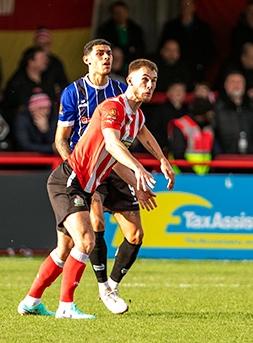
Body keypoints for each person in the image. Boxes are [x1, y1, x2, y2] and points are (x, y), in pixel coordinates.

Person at [18, 57, 175, 319]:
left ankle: (31, 301)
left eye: (154, 81)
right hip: (70, 180)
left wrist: (145, 174)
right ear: (130, 81)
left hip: (83, 186)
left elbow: (122, 152)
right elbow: (113, 145)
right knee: (87, 240)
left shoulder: (136, 117)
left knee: (64, 250)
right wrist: (138, 167)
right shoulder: (113, 107)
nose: (150, 85)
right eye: (144, 79)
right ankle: (66, 307)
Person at [54, 40, 168, 315]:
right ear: (87, 60)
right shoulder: (73, 92)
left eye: (109, 54)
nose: (106, 58)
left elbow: (138, 128)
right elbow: (61, 139)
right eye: (100, 54)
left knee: (136, 234)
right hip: (89, 166)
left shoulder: (121, 91)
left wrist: (160, 160)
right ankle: (97, 289)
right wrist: (78, 174)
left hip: (116, 164)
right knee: (93, 225)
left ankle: (110, 286)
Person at [158, 0, 215, 85]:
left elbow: (211, 51)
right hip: (174, 72)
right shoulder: (171, 26)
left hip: (196, 72)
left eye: (188, 4)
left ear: (194, 7)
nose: (185, 7)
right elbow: (161, 49)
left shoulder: (203, 27)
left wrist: (200, 65)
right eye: (182, 4)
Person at [212, 71, 253, 155]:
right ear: (225, 85)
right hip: (225, 160)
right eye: (232, 82)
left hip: (251, 159)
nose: (236, 85)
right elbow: (213, 135)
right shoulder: (218, 109)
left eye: (239, 82)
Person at [3, 46, 55, 122]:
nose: (45, 60)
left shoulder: (47, 77)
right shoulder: (17, 82)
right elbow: (12, 108)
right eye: (41, 58)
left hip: (49, 121)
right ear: (31, 62)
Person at [167, 97, 214, 174]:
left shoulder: (208, 128)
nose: (212, 115)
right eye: (209, 113)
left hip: (204, 177)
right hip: (181, 176)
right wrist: (192, 174)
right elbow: (178, 154)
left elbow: (211, 153)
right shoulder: (181, 125)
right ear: (202, 114)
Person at [95, 0, 146, 66]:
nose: (120, 15)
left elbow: (140, 49)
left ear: (127, 12)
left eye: (122, 12)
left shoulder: (136, 29)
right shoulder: (105, 29)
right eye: (117, 13)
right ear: (112, 14)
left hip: (132, 63)